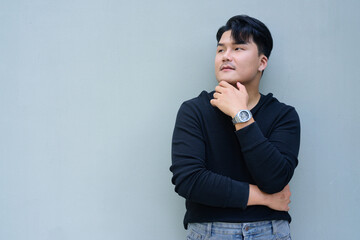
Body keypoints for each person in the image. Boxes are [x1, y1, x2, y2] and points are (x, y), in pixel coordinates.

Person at [170, 15, 301, 239]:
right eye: (221, 50)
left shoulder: (283, 115)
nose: (226, 56)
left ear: (262, 62)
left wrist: (241, 116)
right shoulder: (194, 111)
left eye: (238, 48)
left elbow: (275, 179)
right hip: (209, 232)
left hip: (269, 231)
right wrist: (265, 198)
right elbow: (189, 180)